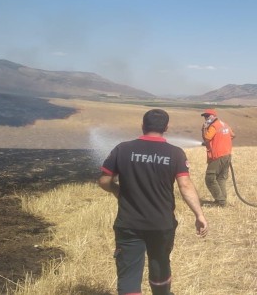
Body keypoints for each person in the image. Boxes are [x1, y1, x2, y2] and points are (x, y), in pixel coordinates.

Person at [98, 108, 208, 295]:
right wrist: (199, 215)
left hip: (129, 223)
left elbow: (104, 181)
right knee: (160, 263)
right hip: (162, 224)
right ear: (166, 127)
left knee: (129, 274)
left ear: (142, 126)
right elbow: (185, 186)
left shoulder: (122, 149)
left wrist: (119, 191)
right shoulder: (175, 153)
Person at [200, 108, 235, 207]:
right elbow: (232, 135)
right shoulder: (224, 124)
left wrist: (204, 129)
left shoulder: (213, 126)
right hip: (227, 155)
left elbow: (206, 138)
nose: (205, 118)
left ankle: (221, 202)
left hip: (217, 156)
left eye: (207, 116)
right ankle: (222, 201)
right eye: (204, 116)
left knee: (210, 178)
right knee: (221, 179)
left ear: (212, 116)